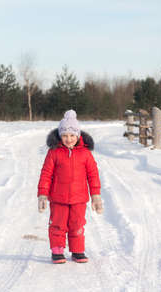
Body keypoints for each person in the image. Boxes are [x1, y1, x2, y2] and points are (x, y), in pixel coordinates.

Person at [37, 109, 103, 264]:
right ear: (60, 135)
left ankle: (77, 250)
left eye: (72, 135)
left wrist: (96, 195)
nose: (68, 139)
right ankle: (57, 251)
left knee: (77, 224)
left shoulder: (85, 154)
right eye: (65, 135)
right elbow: (46, 174)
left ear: (78, 135)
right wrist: (42, 194)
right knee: (58, 224)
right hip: (58, 198)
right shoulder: (54, 152)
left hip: (79, 199)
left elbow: (93, 175)